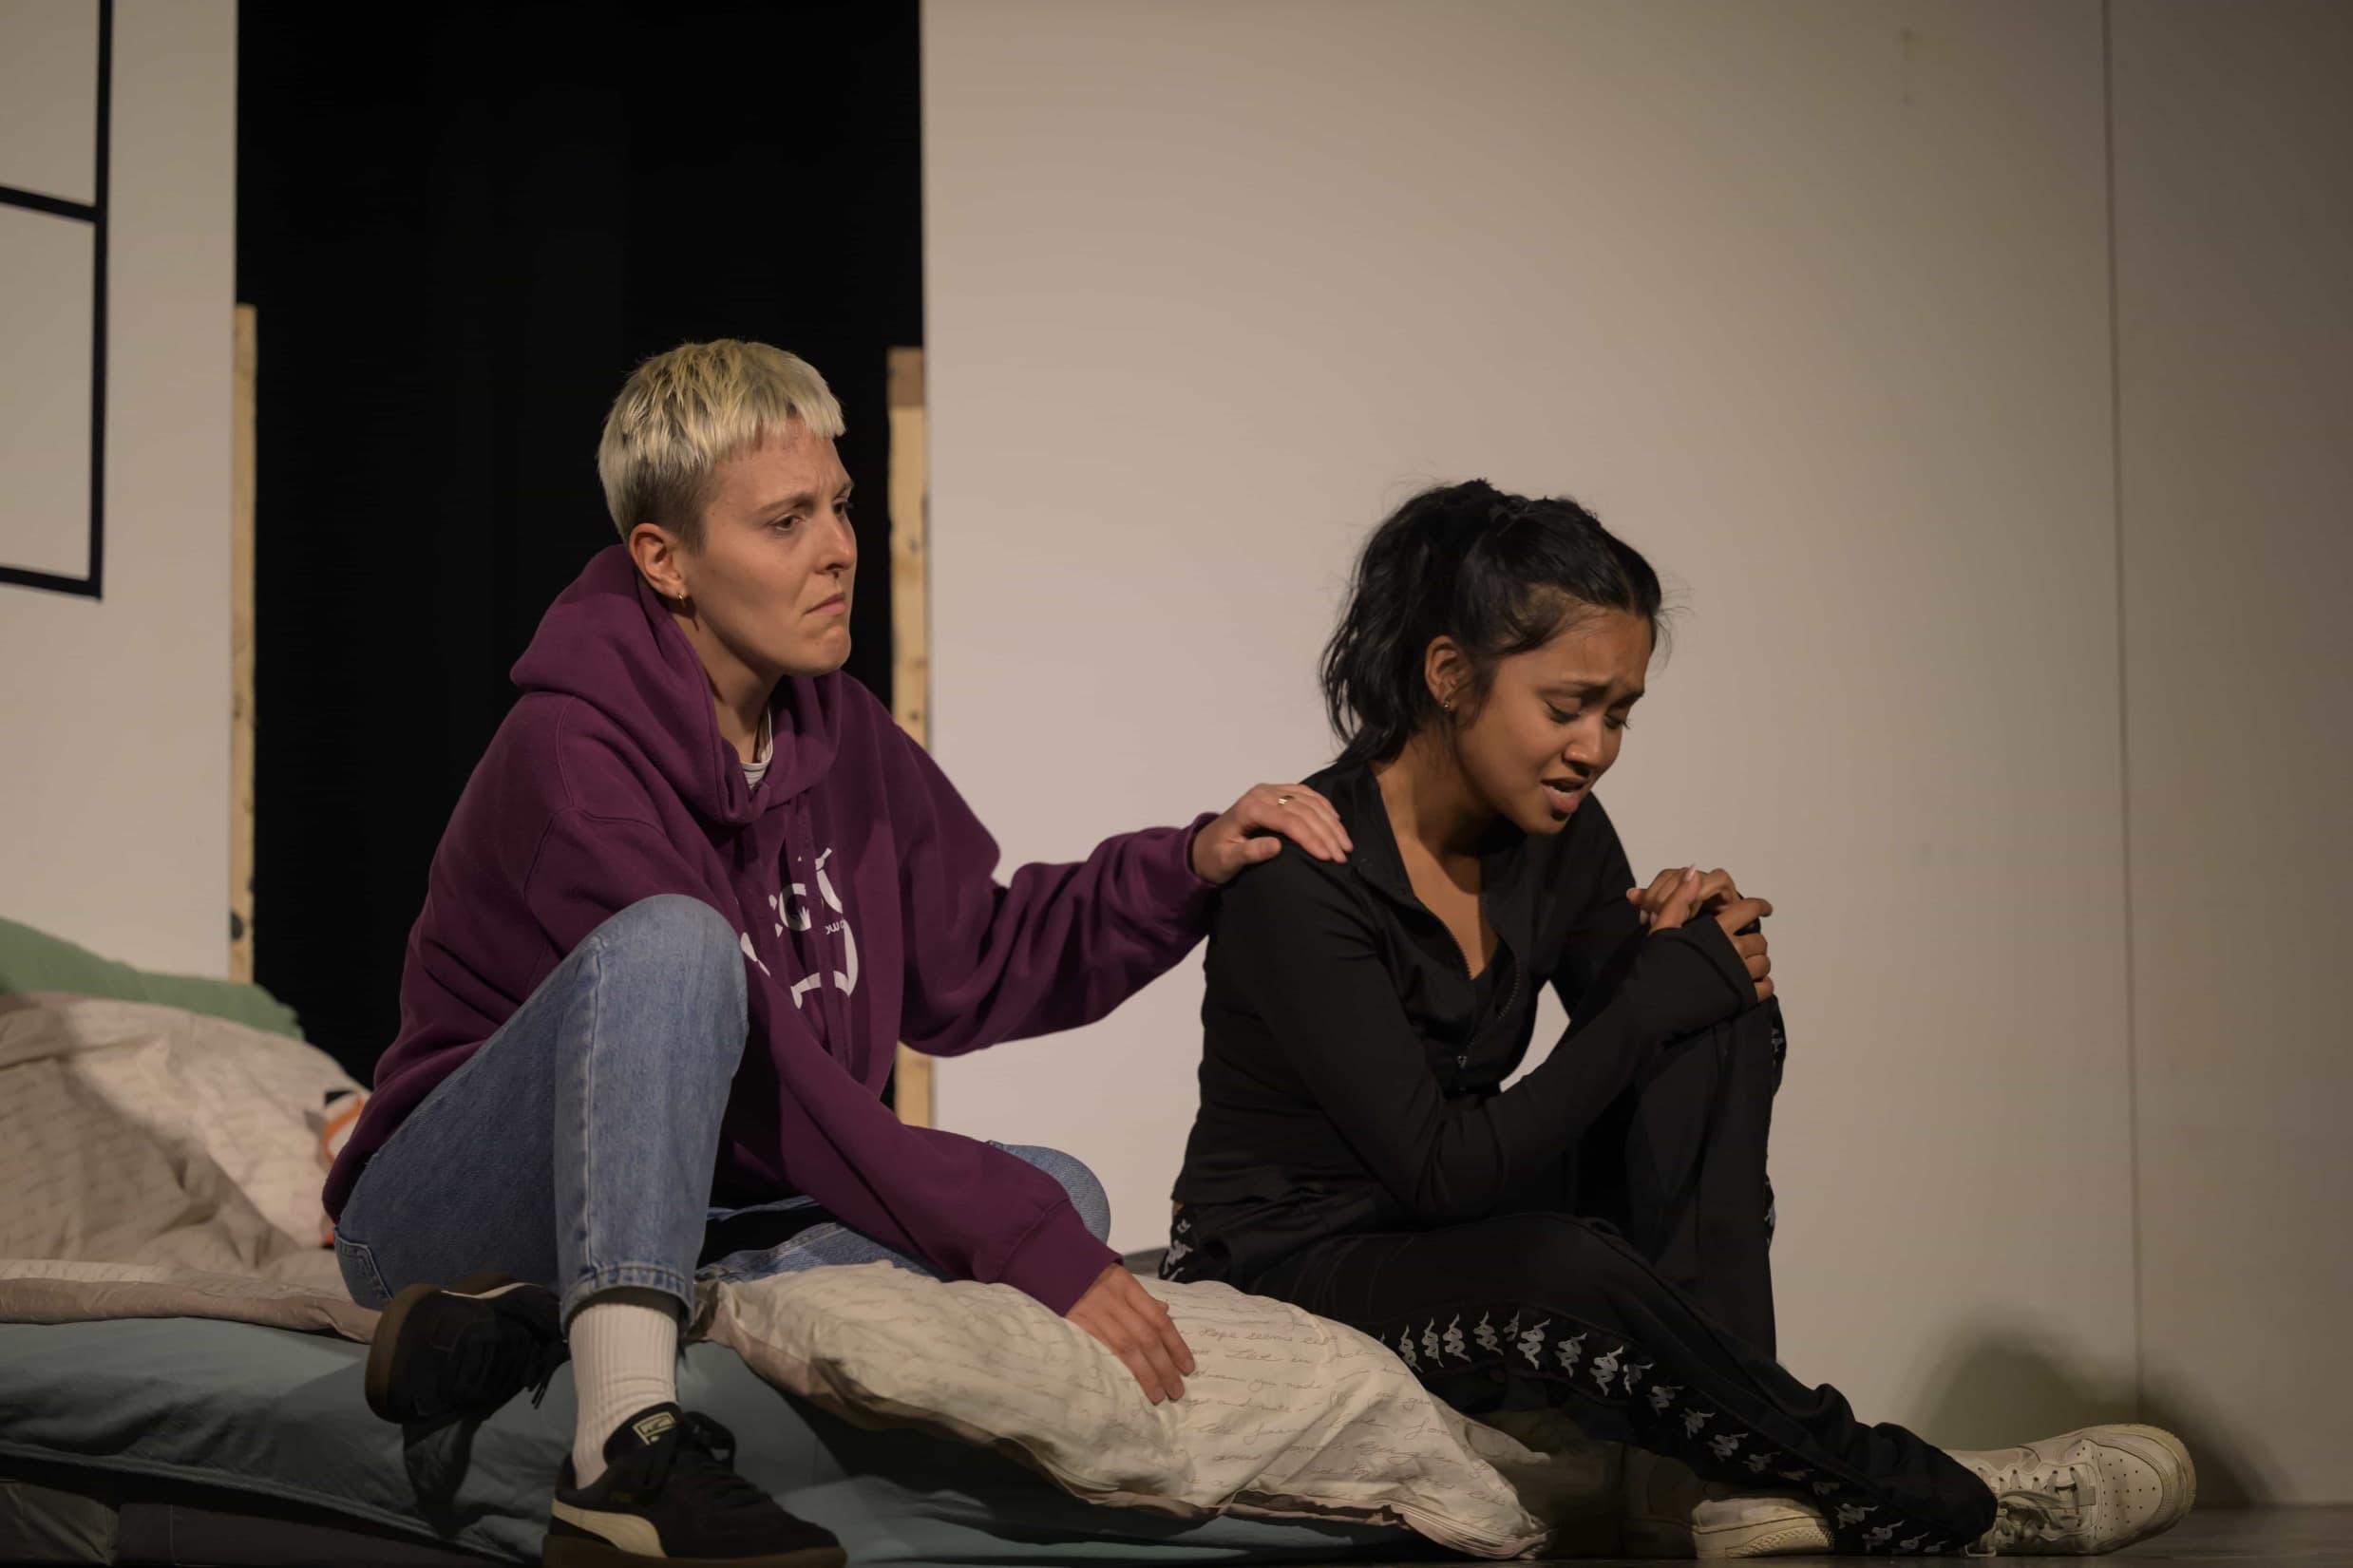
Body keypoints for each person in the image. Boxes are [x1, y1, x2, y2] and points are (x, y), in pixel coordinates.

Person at [323, 340, 1354, 1568]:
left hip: (703, 1200)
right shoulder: (570, 755)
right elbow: (772, 1079)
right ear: (664, 558)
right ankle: (621, 1451)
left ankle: (544, 1323)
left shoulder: (837, 729)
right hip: (449, 1216)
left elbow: (972, 957)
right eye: (785, 520)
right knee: (678, 950)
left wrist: (1184, 864)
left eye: (840, 505)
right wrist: (1012, 1240)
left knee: (1059, 1188)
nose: (837, 548)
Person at [1162, 481, 2193, 1558]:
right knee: (1562, 1259)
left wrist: (1694, 950)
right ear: (1449, 673)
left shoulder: (1557, 832)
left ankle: (1708, 1480)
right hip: (1300, 1258)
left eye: (1618, 714)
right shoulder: (1304, 874)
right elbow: (1438, 1172)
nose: (1594, 748)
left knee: (1715, 1019)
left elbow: (1668, 1058)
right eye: (1567, 707)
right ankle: (1948, 1498)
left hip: (1448, 1231)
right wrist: (1651, 996)